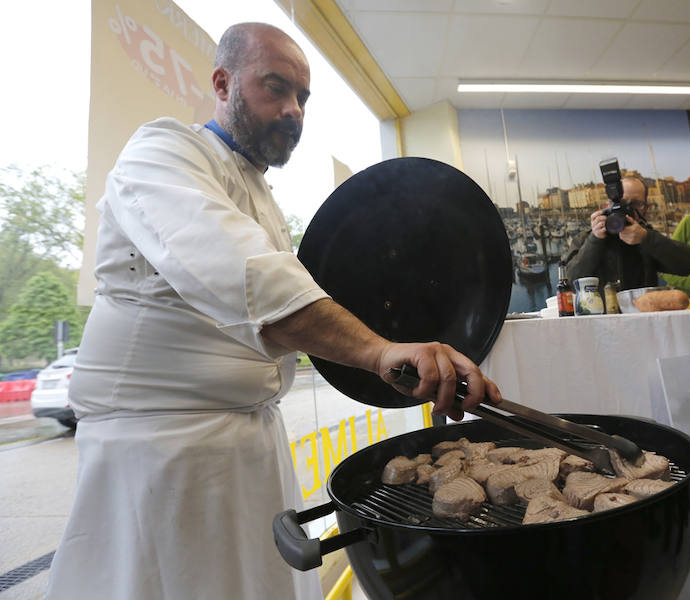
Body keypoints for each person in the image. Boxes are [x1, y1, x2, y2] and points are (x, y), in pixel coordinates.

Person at [45, 22, 501, 600]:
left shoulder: (260, 193)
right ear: (222, 82)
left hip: (248, 441)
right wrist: (379, 351)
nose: (292, 110)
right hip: (160, 454)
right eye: (275, 88)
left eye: (303, 98)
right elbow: (243, 272)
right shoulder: (163, 151)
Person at [566, 177, 690, 290]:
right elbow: (571, 281)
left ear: (645, 208)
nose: (626, 210)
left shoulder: (647, 236)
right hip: (601, 316)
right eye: (621, 203)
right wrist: (595, 239)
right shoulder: (585, 238)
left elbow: (688, 264)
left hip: (642, 313)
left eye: (635, 204)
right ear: (608, 206)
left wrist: (647, 238)